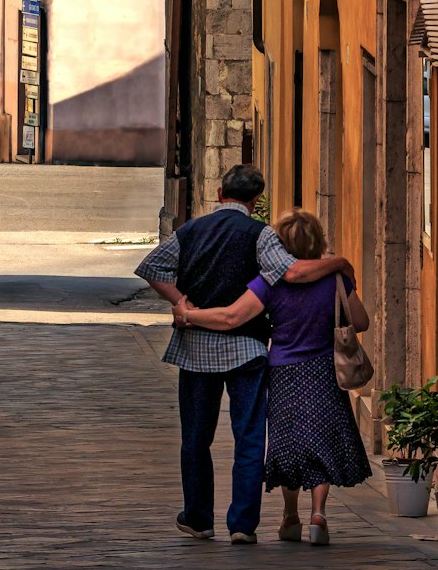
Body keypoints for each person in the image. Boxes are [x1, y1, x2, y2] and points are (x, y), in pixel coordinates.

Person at [135, 167, 356, 545]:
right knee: (249, 440)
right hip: (247, 350)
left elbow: (151, 267)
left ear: (220, 193)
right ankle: (242, 524)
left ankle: (199, 518)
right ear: (256, 200)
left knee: (195, 438)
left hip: (195, 351)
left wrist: (180, 301)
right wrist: (337, 263)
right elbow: (293, 274)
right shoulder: (261, 234)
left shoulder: (191, 230)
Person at [178, 208, 371, 546]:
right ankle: (318, 514)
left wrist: (190, 315)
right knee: (320, 439)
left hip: (282, 372)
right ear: (319, 241)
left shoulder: (269, 282)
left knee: (289, 444)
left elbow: (231, 317)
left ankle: (290, 515)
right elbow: (362, 321)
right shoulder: (337, 279)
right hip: (323, 370)